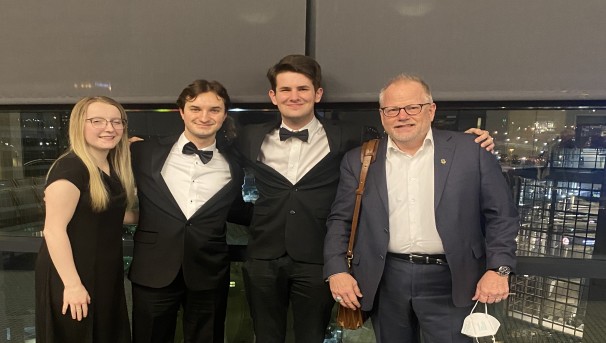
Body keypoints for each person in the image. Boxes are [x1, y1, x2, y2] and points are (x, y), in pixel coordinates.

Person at [235, 55, 496, 343]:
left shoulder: (351, 138)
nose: (294, 96)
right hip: (265, 255)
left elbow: (413, 138)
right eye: (285, 90)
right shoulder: (249, 137)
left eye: (303, 89)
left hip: (314, 257)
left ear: (318, 94)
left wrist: (474, 141)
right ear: (273, 96)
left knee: (311, 336)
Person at [324, 74, 520, 343]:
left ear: (431, 110)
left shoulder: (470, 151)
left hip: (453, 279)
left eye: (412, 107)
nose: (401, 116)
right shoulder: (360, 160)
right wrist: (337, 271)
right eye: (392, 109)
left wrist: (498, 269)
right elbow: (340, 220)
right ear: (382, 115)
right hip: (386, 280)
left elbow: (501, 215)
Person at [128, 80, 246, 343]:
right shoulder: (143, 151)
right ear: (182, 112)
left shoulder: (233, 167)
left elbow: (237, 210)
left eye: (214, 110)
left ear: (224, 115)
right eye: (196, 108)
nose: (204, 117)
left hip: (209, 273)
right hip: (153, 270)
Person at [35, 96, 137, 342]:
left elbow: (113, 215)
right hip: (73, 273)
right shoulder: (70, 169)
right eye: (97, 121)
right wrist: (72, 285)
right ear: (79, 125)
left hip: (103, 271)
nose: (109, 128)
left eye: (116, 121)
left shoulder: (110, 167)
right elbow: (53, 230)